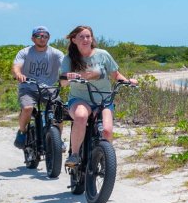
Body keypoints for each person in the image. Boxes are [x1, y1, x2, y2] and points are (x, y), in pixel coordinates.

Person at [58, 25, 136, 168]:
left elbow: (116, 75)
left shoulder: (103, 54)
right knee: (81, 116)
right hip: (79, 99)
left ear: (92, 38)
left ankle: (104, 159)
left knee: (106, 131)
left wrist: (128, 81)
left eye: (88, 36)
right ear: (74, 40)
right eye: (81, 37)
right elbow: (62, 83)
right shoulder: (69, 58)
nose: (85, 39)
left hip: (103, 100)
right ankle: (74, 154)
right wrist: (68, 77)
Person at [11, 27, 65, 149]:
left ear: (49, 38)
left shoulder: (56, 53)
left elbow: (66, 66)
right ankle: (22, 131)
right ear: (33, 38)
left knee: (58, 111)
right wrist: (18, 74)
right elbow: (16, 67)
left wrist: (69, 74)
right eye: (39, 36)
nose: (42, 39)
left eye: (45, 36)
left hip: (49, 87)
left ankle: (58, 140)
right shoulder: (25, 52)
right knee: (28, 108)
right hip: (28, 87)